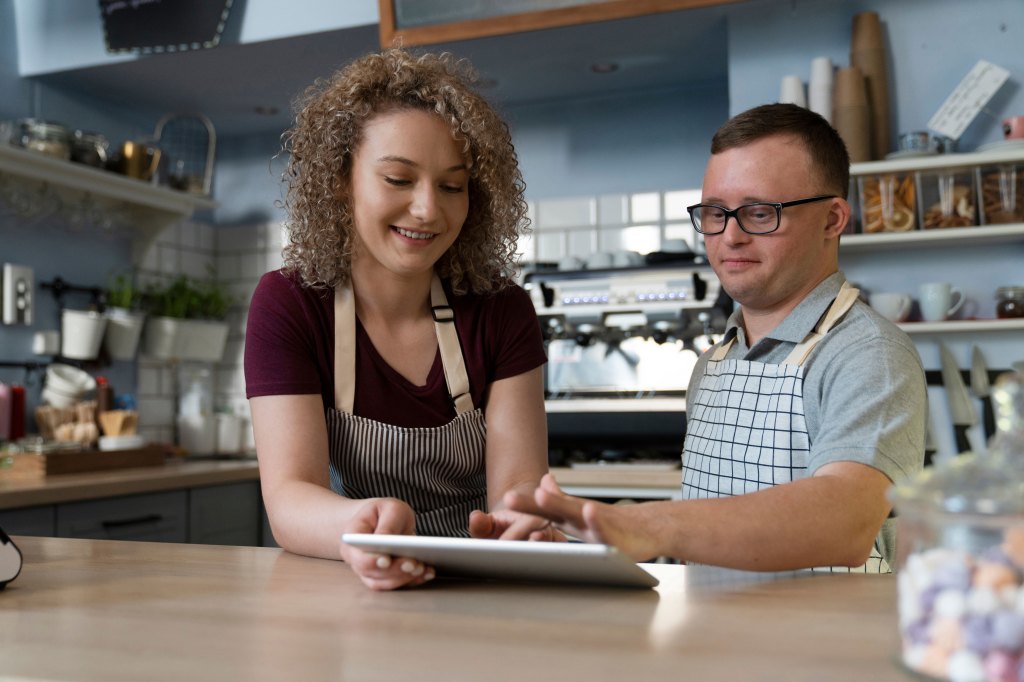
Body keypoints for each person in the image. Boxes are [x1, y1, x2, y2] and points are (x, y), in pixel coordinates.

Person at [507, 103, 926, 573]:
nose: (729, 237)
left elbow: (846, 519)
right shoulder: (713, 363)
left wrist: (650, 525)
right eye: (714, 213)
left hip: (823, 642)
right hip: (714, 635)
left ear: (832, 220)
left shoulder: (867, 353)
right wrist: (582, 543)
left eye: (760, 213)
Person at [245, 48, 554, 591]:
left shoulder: (502, 310)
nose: (428, 209)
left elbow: (517, 488)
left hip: (477, 583)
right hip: (352, 576)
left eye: (453, 186)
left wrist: (524, 526)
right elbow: (290, 497)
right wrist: (362, 530)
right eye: (397, 179)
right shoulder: (290, 303)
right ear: (341, 180)